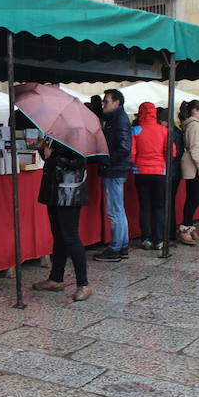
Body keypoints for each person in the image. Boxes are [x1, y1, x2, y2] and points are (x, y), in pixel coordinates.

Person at [31, 138, 92, 301]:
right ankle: (55, 279)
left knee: (71, 237)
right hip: (55, 191)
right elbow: (51, 161)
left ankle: (83, 284)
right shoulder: (56, 132)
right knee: (59, 237)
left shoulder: (77, 134)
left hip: (69, 192)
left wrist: (53, 156)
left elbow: (79, 162)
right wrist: (42, 150)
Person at [94, 89, 132, 262]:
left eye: (106, 101)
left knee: (114, 211)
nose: (104, 104)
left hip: (115, 169)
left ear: (117, 102)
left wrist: (107, 162)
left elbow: (124, 148)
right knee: (119, 209)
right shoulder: (115, 119)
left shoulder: (119, 120)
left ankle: (115, 248)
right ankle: (122, 246)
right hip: (117, 169)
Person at [131, 102, 172, 250]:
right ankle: (159, 239)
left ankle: (146, 238)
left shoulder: (135, 130)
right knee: (159, 207)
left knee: (144, 206)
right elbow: (171, 152)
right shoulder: (164, 130)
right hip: (159, 172)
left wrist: (136, 164)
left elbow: (132, 153)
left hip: (141, 172)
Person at [178, 100, 199, 246]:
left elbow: (197, 149)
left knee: (194, 198)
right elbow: (194, 149)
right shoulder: (194, 126)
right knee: (194, 198)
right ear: (195, 111)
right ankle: (185, 228)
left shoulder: (193, 125)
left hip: (194, 164)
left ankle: (188, 226)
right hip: (194, 167)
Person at [157, 107, 184, 241]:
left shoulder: (170, 132)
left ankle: (167, 233)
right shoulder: (177, 131)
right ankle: (170, 232)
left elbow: (173, 154)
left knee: (166, 203)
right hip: (175, 171)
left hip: (170, 171)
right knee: (169, 202)